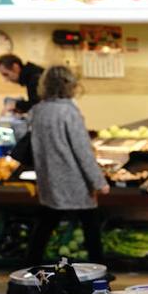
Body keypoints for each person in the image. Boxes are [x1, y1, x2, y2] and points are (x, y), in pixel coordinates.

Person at [25, 66, 109, 265]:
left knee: (45, 223)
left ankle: (30, 266)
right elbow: (82, 150)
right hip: (73, 179)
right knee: (90, 225)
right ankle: (100, 269)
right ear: (69, 85)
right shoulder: (69, 112)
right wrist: (98, 181)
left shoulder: (38, 110)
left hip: (48, 178)